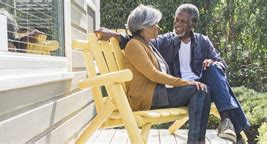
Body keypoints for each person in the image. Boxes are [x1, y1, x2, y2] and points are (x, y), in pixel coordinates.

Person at [96, 3, 257, 143]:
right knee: (201, 89)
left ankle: (224, 123)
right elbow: (137, 44)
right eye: (176, 20)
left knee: (212, 73)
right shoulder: (160, 41)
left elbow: (221, 62)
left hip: (189, 84)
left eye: (183, 21)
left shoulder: (202, 41)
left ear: (193, 23)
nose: (176, 24)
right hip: (163, 91)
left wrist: (212, 63)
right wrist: (115, 35)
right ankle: (232, 130)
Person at [122, 5, 211, 144]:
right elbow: (154, 74)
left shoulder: (147, 45)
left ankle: (199, 141)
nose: (158, 27)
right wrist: (187, 82)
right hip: (146, 98)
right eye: (154, 24)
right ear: (143, 27)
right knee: (198, 90)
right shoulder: (134, 45)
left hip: (156, 93)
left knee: (203, 89)